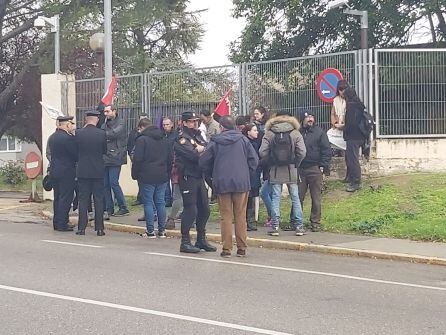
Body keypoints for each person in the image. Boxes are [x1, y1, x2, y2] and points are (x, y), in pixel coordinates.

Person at [199, 116, 258, 258]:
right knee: (240, 216)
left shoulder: (215, 142)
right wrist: (245, 174)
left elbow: (203, 162)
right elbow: (254, 161)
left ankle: (226, 249)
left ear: (222, 127)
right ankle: (242, 248)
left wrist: (212, 176)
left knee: (225, 217)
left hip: (222, 183)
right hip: (241, 183)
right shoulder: (244, 140)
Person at [174, 110, 216, 253]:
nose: (194, 123)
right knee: (191, 209)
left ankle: (201, 239)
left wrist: (201, 149)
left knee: (204, 208)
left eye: (195, 121)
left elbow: (209, 150)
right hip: (187, 176)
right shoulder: (181, 138)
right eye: (191, 121)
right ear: (184, 122)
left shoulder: (198, 135)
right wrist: (200, 150)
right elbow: (193, 156)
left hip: (199, 176)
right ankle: (185, 242)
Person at [259, 110, 306, 236]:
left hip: (275, 169)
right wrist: (296, 162)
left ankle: (275, 226)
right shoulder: (295, 132)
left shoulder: (269, 133)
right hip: (292, 168)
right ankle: (299, 226)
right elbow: (302, 152)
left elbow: (262, 152)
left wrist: (271, 160)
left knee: (275, 197)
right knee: (295, 198)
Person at [131, 118, 172, 238]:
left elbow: (137, 159)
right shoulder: (164, 139)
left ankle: (150, 231)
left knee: (148, 202)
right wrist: (167, 173)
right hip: (162, 175)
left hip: (146, 175)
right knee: (160, 202)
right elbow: (170, 158)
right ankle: (162, 230)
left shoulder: (142, 140)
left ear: (143, 127)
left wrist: (135, 174)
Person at [298, 110, 332, 232]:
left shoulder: (319, 132)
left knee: (316, 197)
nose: (310, 119)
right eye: (308, 117)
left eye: (312, 117)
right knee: (298, 197)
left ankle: (315, 222)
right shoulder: (298, 133)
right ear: (302, 119)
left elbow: (326, 150)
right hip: (300, 169)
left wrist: (323, 165)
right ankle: (296, 221)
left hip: (315, 168)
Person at [75, 110, 107, 236]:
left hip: (83, 170)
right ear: (97, 120)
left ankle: (81, 228)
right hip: (98, 170)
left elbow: (75, 151)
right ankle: (99, 228)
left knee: (83, 199)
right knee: (98, 199)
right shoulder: (102, 134)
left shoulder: (78, 133)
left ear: (85, 119)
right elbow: (104, 151)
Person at [48, 115, 78, 232]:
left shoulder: (53, 137)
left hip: (55, 170)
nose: (72, 126)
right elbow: (75, 155)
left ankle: (56, 222)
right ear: (67, 124)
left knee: (57, 198)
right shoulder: (68, 138)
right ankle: (62, 223)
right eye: (71, 124)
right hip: (66, 171)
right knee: (65, 198)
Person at [102, 104, 129, 218]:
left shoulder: (121, 123)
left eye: (108, 111)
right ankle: (109, 208)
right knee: (105, 184)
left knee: (113, 182)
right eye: (105, 112)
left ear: (114, 111)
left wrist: (102, 135)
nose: (106, 114)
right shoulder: (104, 123)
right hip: (105, 157)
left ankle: (123, 207)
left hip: (116, 157)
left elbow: (114, 134)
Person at [343, 87, 367, 192]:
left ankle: (356, 182)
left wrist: (344, 128)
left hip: (353, 136)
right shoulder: (359, 105)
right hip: (360, 136)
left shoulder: (351, 106)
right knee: (350, 157)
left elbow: (351, 123)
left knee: (353, 159)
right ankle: (351, 177)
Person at [242, 123, 262, 231]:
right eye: (254, 130)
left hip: (254, 174)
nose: (257, 132)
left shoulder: (256, 142)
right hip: (248, 174)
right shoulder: (246, 143)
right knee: (248, 198)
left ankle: (250, 220)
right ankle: (246, 221)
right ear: (248, 132)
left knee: (252, 197)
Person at [127, 114, 149, 206]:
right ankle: (140, 198)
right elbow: (130, 144)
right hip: (136, 159)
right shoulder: (133, 132)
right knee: (140, 182)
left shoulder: (149, 136)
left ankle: (144, 199)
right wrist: (131, 155)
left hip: (146, 163)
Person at [162, 116, 178, 208]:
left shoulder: (176, 135)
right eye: (164, 125)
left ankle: (173, 199)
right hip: (164, 160)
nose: (165, 126)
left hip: (173, 161)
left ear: (171, 124)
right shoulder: (162, 135)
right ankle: (167, 199)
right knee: (165, 181)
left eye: (167, 124)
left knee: (174, 182)